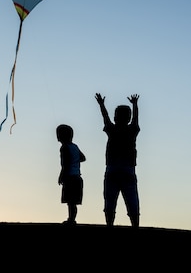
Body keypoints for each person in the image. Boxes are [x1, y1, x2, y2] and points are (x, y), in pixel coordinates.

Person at [95, 92, 140, 228]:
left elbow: (105, 117)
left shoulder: (112, 129)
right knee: (132, 198)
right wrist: (135, 105)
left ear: (116, 117)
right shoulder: (132, 130)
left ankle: (109, 223)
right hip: (128, 169)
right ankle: (135, 224)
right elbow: (136, 119)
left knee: (110, 199)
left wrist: (101, 105)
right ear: (129, 118)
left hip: (112, 168)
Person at [56, 124, 86, 225]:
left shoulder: (64, 148)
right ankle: (72, 218)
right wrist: (75, 160)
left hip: (70, 177)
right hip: (77, 177)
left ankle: (71, 220)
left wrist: (61, 176)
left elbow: (65, 164)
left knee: (70, 201)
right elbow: (83, 158)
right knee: (73, 202)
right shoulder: (75, 146)